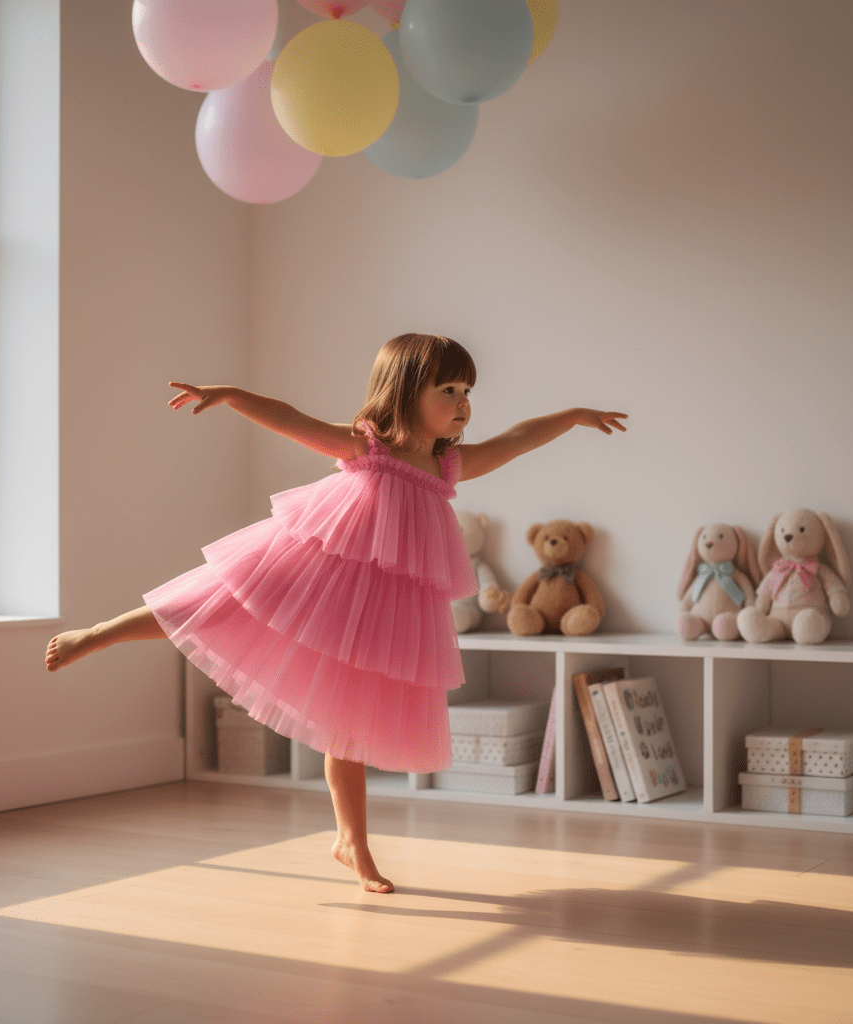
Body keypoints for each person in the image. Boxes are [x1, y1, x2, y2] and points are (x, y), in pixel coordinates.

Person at [45, 333, 627, 893]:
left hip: (377, 613)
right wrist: (230, 396)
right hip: (321, 574)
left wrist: (572, 416)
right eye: (448, 391)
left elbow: (518, 439)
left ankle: (353, 843)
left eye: (467, 391)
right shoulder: (367, 447)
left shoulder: (448, 465)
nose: (463, 404)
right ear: (405, 392)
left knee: (348, 725)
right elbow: (290, 417)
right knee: (217, 599)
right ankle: (99, 633)